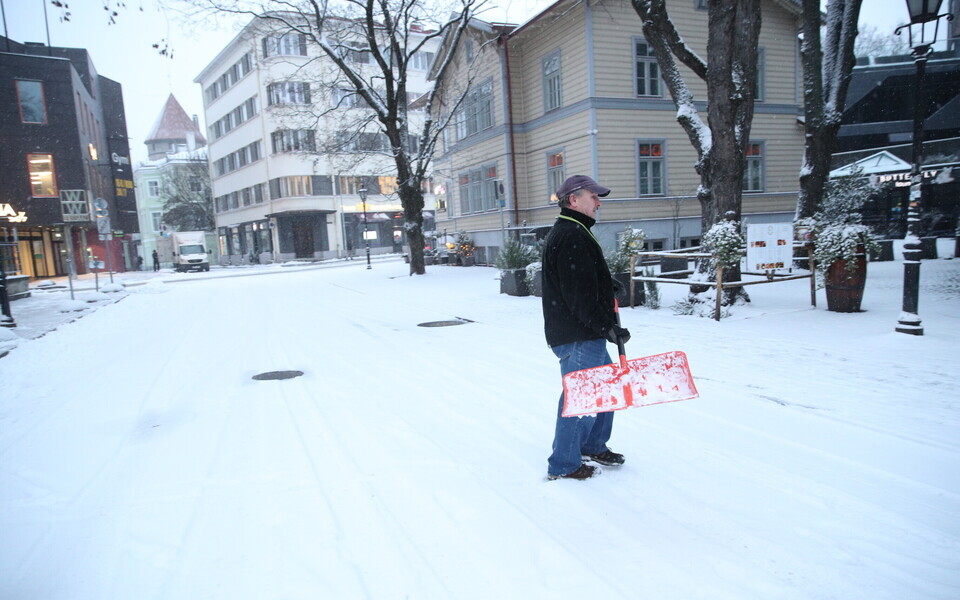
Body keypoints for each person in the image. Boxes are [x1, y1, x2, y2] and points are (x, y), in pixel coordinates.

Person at [541, 175, 631, 481]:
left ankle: (592, 443)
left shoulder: (575, 230)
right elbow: (577, 294)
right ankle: (564, 464)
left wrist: (607, 284)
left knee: (607, 389)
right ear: (573, 200)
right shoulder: (571, 235)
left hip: (583, 332)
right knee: (579, 396)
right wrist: (606, 327)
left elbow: (582, 279)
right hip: (578, 334)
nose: (598, 202)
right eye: (593, 197)